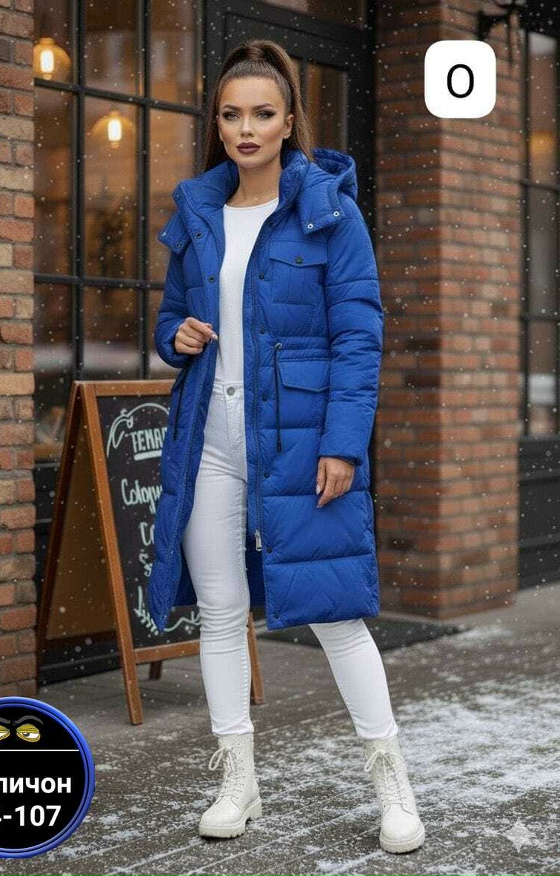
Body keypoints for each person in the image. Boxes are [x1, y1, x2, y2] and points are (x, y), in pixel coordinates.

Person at [151, 39, 425, 855]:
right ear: (217, 124)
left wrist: (343, 444)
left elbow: (359, 337)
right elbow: (167, 320)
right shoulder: (198, 213)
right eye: (231, 115)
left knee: (335, 614)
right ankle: (238, 781)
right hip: (210, 439)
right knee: (221, 612)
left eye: (262, 114)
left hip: (302, 446)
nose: (246, 129)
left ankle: (392, 781)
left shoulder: (328, 211)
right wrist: (178, 336)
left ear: (288, 121)